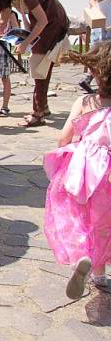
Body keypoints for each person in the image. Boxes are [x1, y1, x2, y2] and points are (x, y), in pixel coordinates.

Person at [43, 42, 111, 298]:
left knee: (77, 216)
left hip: (83, 170)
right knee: (104, 222)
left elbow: (64, 138)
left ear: (94, 72)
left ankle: (82, 256)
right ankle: (100, 274)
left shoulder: (85, 102)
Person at [12, 0, 70, 127]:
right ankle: (42, 107)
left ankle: (38, 113)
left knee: (39, 70)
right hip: (51, 29)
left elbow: (42, 21)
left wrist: (26, 42)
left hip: (51, 31)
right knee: (42, 70)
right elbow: (28, 18)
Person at [79, 0, 111, 93]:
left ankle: (96, 81)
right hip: (101, 19)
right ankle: (94, 81)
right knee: (98, 52)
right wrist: (96, 10)